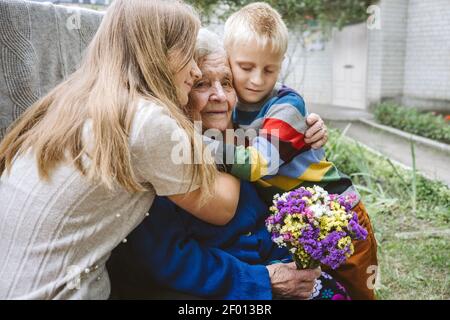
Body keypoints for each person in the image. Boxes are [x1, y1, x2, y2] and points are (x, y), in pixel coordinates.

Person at [0, 0, 241, 300]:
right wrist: (232, 141)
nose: (194, 71)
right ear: (155, 50)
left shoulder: (74, 100)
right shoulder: (146, 121)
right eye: (186, 53)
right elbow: (222, 207)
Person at [108, 29, 350, 301]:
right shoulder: (160, 154)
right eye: (201, 84)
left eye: (227, 82)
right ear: (177, 89)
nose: (220, 96)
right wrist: (264, 281)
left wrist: (303, 126)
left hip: (283, 269)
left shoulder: (242, 135)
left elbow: (280, 110)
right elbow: (167, 260)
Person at [220, 2, 378, 299]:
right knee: (321, 288)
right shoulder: (231, 103)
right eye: (245, 67)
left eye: (269, 69)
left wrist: (196, 146)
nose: (257, 79)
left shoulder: (286, 104)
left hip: (339, 212)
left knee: (358, 288)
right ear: (227, 57)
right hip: (298, 221)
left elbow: (257, 164)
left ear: (281, 63)